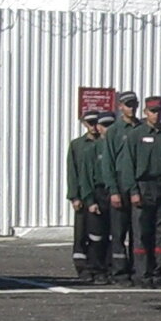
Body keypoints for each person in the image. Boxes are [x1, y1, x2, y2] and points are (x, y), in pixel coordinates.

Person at [121, 95, 161, 288]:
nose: (156, 115)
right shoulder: (135, 135)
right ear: (145, 112)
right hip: (143, 187)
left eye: (159, 111)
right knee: (142, 233)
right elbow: (128, 165)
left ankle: (156, 273)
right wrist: (133, 191)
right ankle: (142, 274)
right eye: (153, 111)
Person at [102, 91, 140, 285]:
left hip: (138, 189)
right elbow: (107, 162)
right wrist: (113, 190)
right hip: (120, 186)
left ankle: (136, 270)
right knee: (118, 233)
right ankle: (119, 272)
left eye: (134, 104)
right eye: (127, 105)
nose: (131, 108)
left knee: (138, 233)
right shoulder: (115, 131)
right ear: (120, 107)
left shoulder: (142, 129)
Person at [82, 112, 117, 283]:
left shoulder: (120, 148)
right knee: (96, 236)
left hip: (115, 193)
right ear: (99, 127)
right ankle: (95, 269)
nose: (107, 129)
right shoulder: (92, 149)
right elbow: (86, 177)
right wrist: (90, 200)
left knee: (113, 235)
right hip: (98, 193)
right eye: (105, 126)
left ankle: (111, 268)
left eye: (111, 125)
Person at [67, 111, 100, 279]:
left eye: (95, 122)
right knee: (81, 233)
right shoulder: (77, 145)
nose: (93, 126)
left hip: (100, 194)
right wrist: (74, 196)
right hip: (82, 194)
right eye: (89, 123)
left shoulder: (104, 143)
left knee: (98, 234)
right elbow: (72, 172)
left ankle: (97, 266)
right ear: (83, 123)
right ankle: (82, 267)